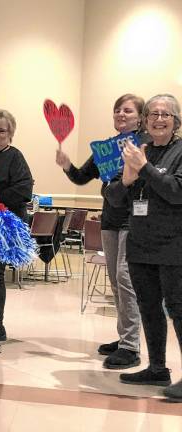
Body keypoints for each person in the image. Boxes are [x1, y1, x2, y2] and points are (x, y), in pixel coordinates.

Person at [56, 94, 144, 370]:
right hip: (110, 220)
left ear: (140, 117)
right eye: (117, 109)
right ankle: (124, 338)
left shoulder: (147, 146)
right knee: (117, 282)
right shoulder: (106, 149)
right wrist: (67, 164)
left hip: (135, 221)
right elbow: (82, 176)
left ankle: (131, 347)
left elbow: (132, 184)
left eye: (127, 110)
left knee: (125, 278)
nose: (120, 114)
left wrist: (112, 187)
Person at [105, 94, 182, 401]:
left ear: (176, 121)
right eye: (152, 114)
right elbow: (112, 198)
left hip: (174, 246)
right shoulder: (136, 150)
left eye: (166, 114)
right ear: (145, 121)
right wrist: (125, 180)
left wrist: (145, 168)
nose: (158, 119)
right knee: (149, 309)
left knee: (178, 310)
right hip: (139, 245)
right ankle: (157, 367)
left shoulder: (179, 151)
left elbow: (176, 192)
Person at [0, 109, 33, 343]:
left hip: (3, 224)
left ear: (10, 133)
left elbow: (24, 190)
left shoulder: (15, 156)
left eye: (1, 130)